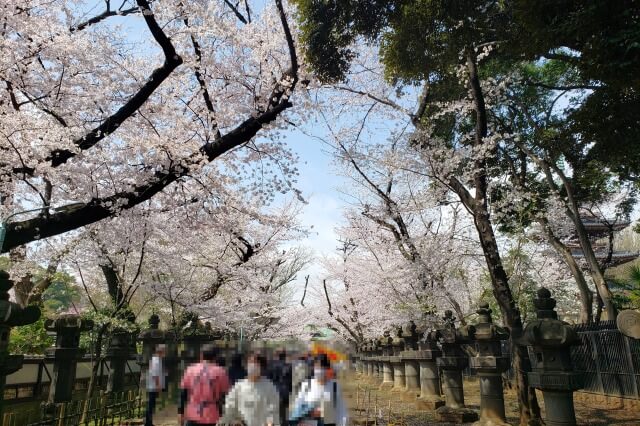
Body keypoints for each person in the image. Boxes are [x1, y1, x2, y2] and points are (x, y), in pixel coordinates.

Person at [222, 352, 280, 426]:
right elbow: (230, 406)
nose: (252, 366)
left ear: (262, 367)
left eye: (255, 363)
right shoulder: (239, 386)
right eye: (250, 363)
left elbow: (273, 411)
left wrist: (270, 422)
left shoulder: (270, 388)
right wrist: (235, 420)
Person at [178, 344, 230, 426]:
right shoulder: (221, 372)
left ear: (201, 355)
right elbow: (225, 396)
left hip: (192, 414)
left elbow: (183, 392)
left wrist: (180, 412)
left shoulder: (190, 370)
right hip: (212, 415)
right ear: (216, 357)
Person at [289, 354, 347, 426]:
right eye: (317, 366)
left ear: (327, 369)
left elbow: (341, 410)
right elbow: (298, 405)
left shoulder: (334, 386)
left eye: (322, 367)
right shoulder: (307, 385)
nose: (319, 369)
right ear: (313, 367)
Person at [267, 350, 293, 424]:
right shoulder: (288, 366)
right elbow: (290, 381)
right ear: (285, 356)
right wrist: (290, 392)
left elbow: (268, 379)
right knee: (284, 414)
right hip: (285, 392)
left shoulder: (271, 366)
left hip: (274, 391)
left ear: (277, 356)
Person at [145, 344, 166, 426]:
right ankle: (148, 423)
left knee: (152, 405)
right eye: (163, 351)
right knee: (151, 405)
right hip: (153, 386)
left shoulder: (157, 360)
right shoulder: (156, 360)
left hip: (154, 386)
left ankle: (149, 422)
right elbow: (155, 374)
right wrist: (158, 385)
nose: (164, 353)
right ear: (160, 352)